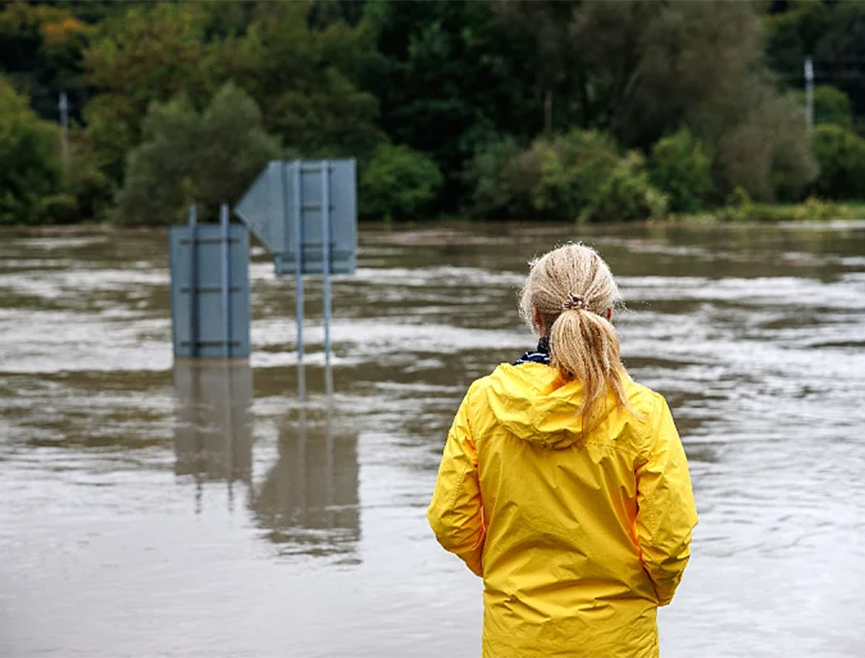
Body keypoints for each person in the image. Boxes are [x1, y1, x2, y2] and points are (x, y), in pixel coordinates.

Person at [427, 243, 698, 658]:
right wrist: (648, 593)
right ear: (607, 315)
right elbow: (669, 542)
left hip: (515, 636)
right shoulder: (643, 412)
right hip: (618, 641)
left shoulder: (483, 403)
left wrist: (503, 568)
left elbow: (451, 521)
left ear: (535, 315)